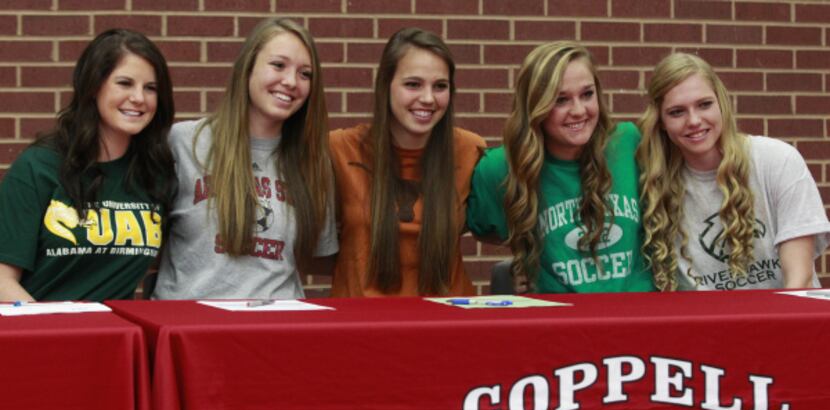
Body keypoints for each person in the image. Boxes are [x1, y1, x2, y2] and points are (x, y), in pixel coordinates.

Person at [153, 18, 337, 299]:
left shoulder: (312, 162)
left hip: (274, 331)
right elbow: (144, 246)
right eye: (278, 65)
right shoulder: (184, 142)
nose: (290, 81)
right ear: (248, 68)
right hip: (189, 328)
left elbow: (319, 255)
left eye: (305, 74)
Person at [0, 29, 175, 302]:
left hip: (115, 339)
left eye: (150, 88)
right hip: (38, 334)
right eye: (125, 83)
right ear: (94, 86)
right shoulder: (39, 167)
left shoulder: (155, 174)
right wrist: (54, 331)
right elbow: (2, 279)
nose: (139, 98)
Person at [466, 41, 654, 293]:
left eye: (587, 94)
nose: (578, 110)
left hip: (639, 315)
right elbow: (484, 229)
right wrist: (524, 259)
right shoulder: (500, 167)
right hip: (559, 321)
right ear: (535, 105)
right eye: (561, 100)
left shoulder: (629, 142)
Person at [638, 52, 830, 291]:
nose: (694, 120)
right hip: (709, 327)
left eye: (704, 104)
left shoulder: (776, 161)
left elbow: (798, 282)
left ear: (721, 103)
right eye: (677, 112)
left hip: (785, 320)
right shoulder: (653, 184)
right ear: (661, 122)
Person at [329, 27, 485, 297]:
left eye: (440, 86)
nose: (428, 98)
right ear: (386, 85)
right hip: (360, 326)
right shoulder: (339, 150)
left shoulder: (471, 151)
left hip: (447, 323)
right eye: (413, 84)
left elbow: (505, 229)